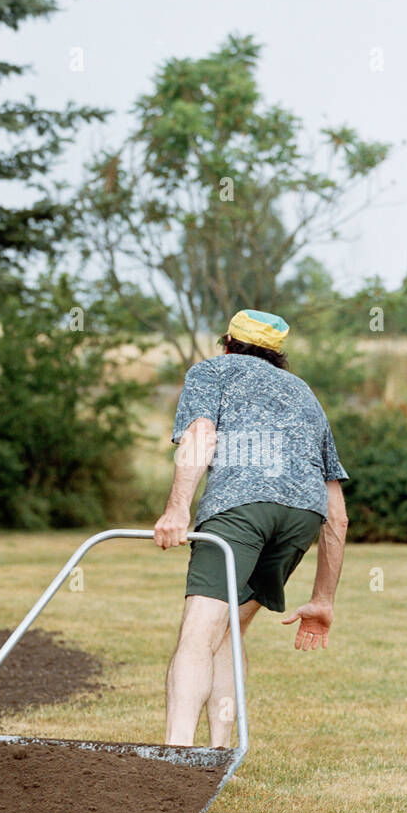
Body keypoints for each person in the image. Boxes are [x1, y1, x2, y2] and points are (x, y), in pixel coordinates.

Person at [154, 309, 350, 748]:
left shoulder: (211, 370)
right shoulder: (303, 392)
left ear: (227, 343)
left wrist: (177, 510)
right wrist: (323, 599)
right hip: (303, 516)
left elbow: (201, 434)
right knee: (229, 631)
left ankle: (175, 759)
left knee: (198, 632)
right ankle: (220, 752)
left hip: (240, 508)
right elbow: (337, 515)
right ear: (277, 355)